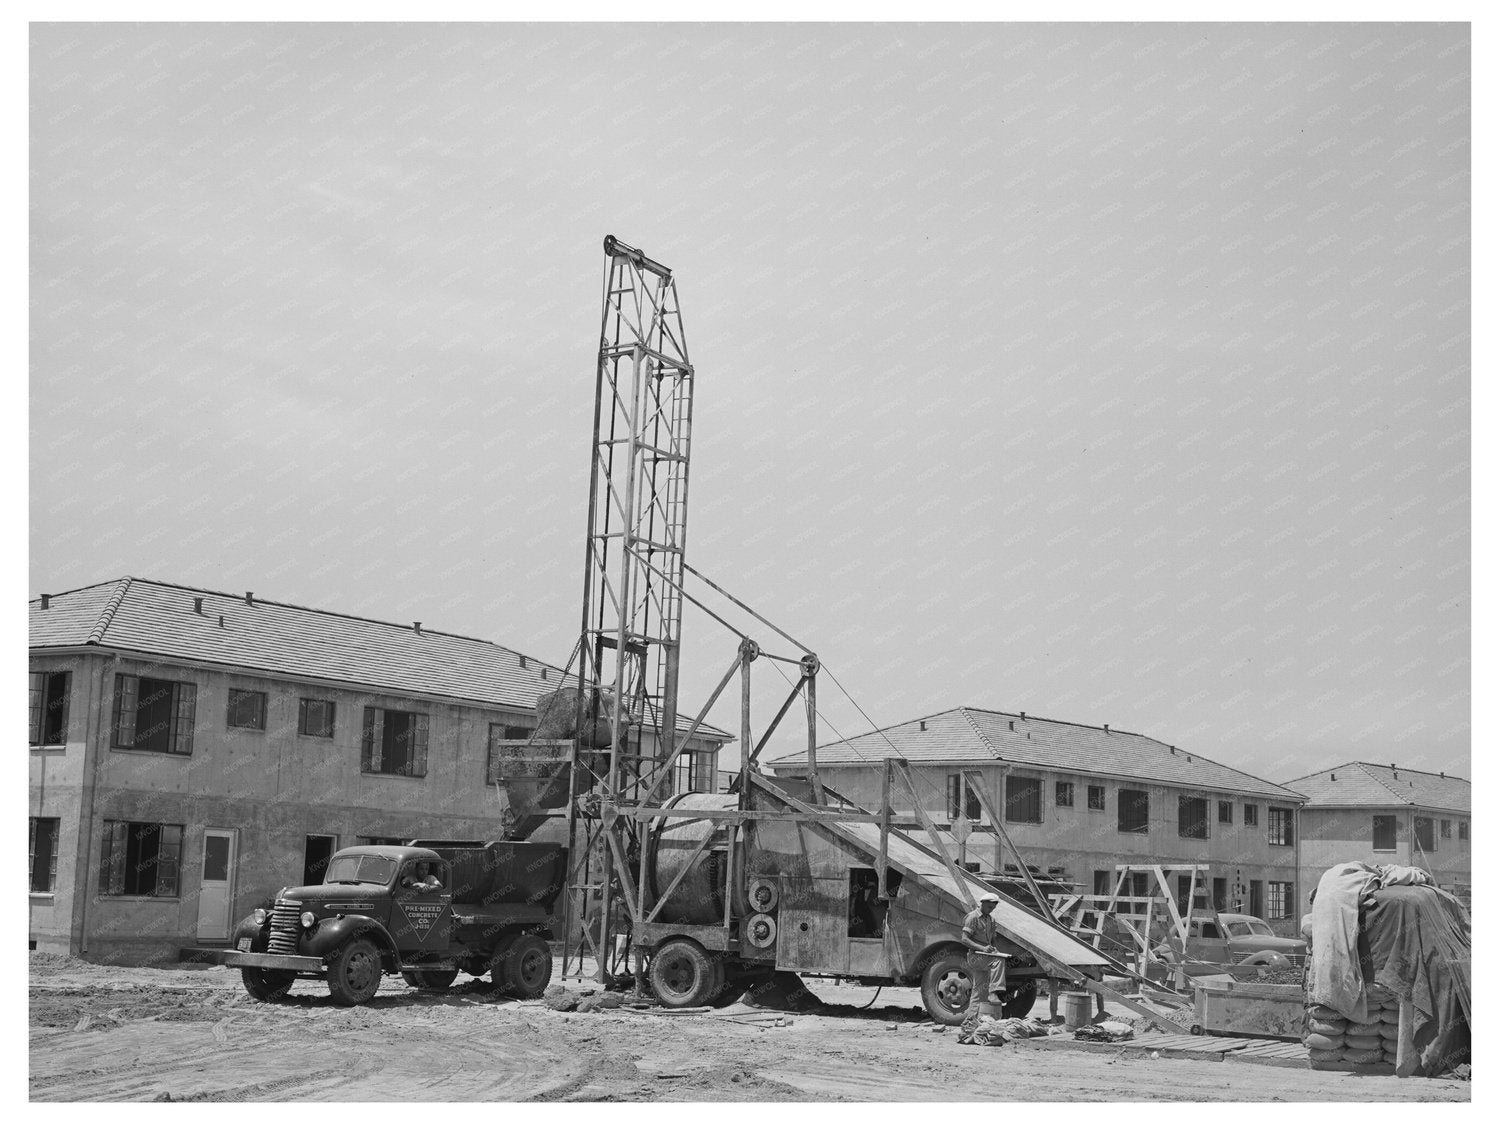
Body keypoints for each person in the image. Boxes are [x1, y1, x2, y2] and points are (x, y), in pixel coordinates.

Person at [959, 891, 1009, 1017]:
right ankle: (994, 992)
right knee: (998, 961)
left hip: (984, 957)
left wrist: (994, 949)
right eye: (989, 907)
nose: (991, 910)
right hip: (975, 956)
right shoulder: (972, 917)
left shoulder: (991, 919)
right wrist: (982, 948)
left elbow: (993, 939)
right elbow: (964, 939)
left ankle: (970, 1021)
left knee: (979, 991)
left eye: (993, 908)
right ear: (983, 903)